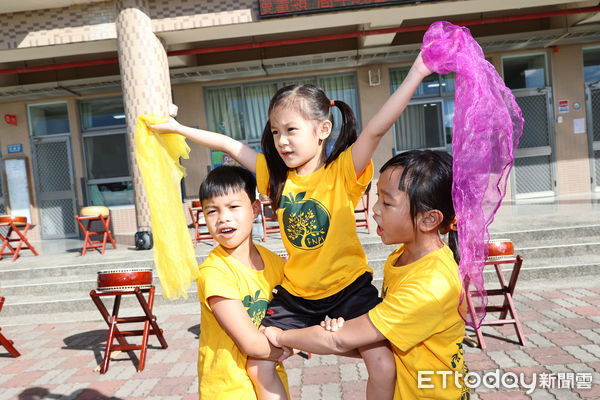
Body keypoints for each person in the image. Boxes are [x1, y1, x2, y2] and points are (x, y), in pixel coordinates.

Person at [147, 53, 432, 399]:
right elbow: (227, 144)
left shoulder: (342, 171)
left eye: (291, 130)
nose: (282, 141)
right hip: (297, 297)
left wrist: (418, 70)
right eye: (276, 131)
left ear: (323, 129)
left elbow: (377, 128)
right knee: (259, 362)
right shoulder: (274, 176)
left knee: (383, 364)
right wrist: (178, 130)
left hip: (349, 290)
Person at [264, 150, 470, 400]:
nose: (374, 209)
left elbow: (339, 342)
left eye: (387, 202)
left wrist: (281, 335)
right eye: (376, 198)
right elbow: (378, 337)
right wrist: (342, 333)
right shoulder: (402, 257)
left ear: (428, 219)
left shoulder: (430, 285)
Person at [195, 165, 289, 399]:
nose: (223, 218)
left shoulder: (276, 264)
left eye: (233, 207)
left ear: (256, 208)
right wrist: (299, 344)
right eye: (211, 211)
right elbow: (252, 344)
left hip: (271, 382)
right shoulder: (214, 272)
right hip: (228, 390)